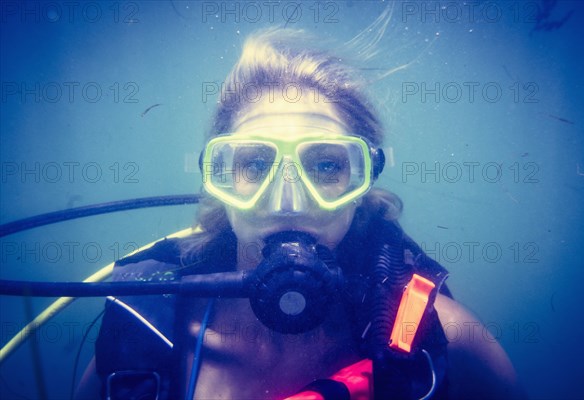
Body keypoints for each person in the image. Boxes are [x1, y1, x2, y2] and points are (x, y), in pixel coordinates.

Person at [77, 28, 526, 400]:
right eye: (255, 164)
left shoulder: (445, 337)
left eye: (326, 165)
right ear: (220, 178)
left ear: (362, 184)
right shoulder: (139, 339)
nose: (288, 201)